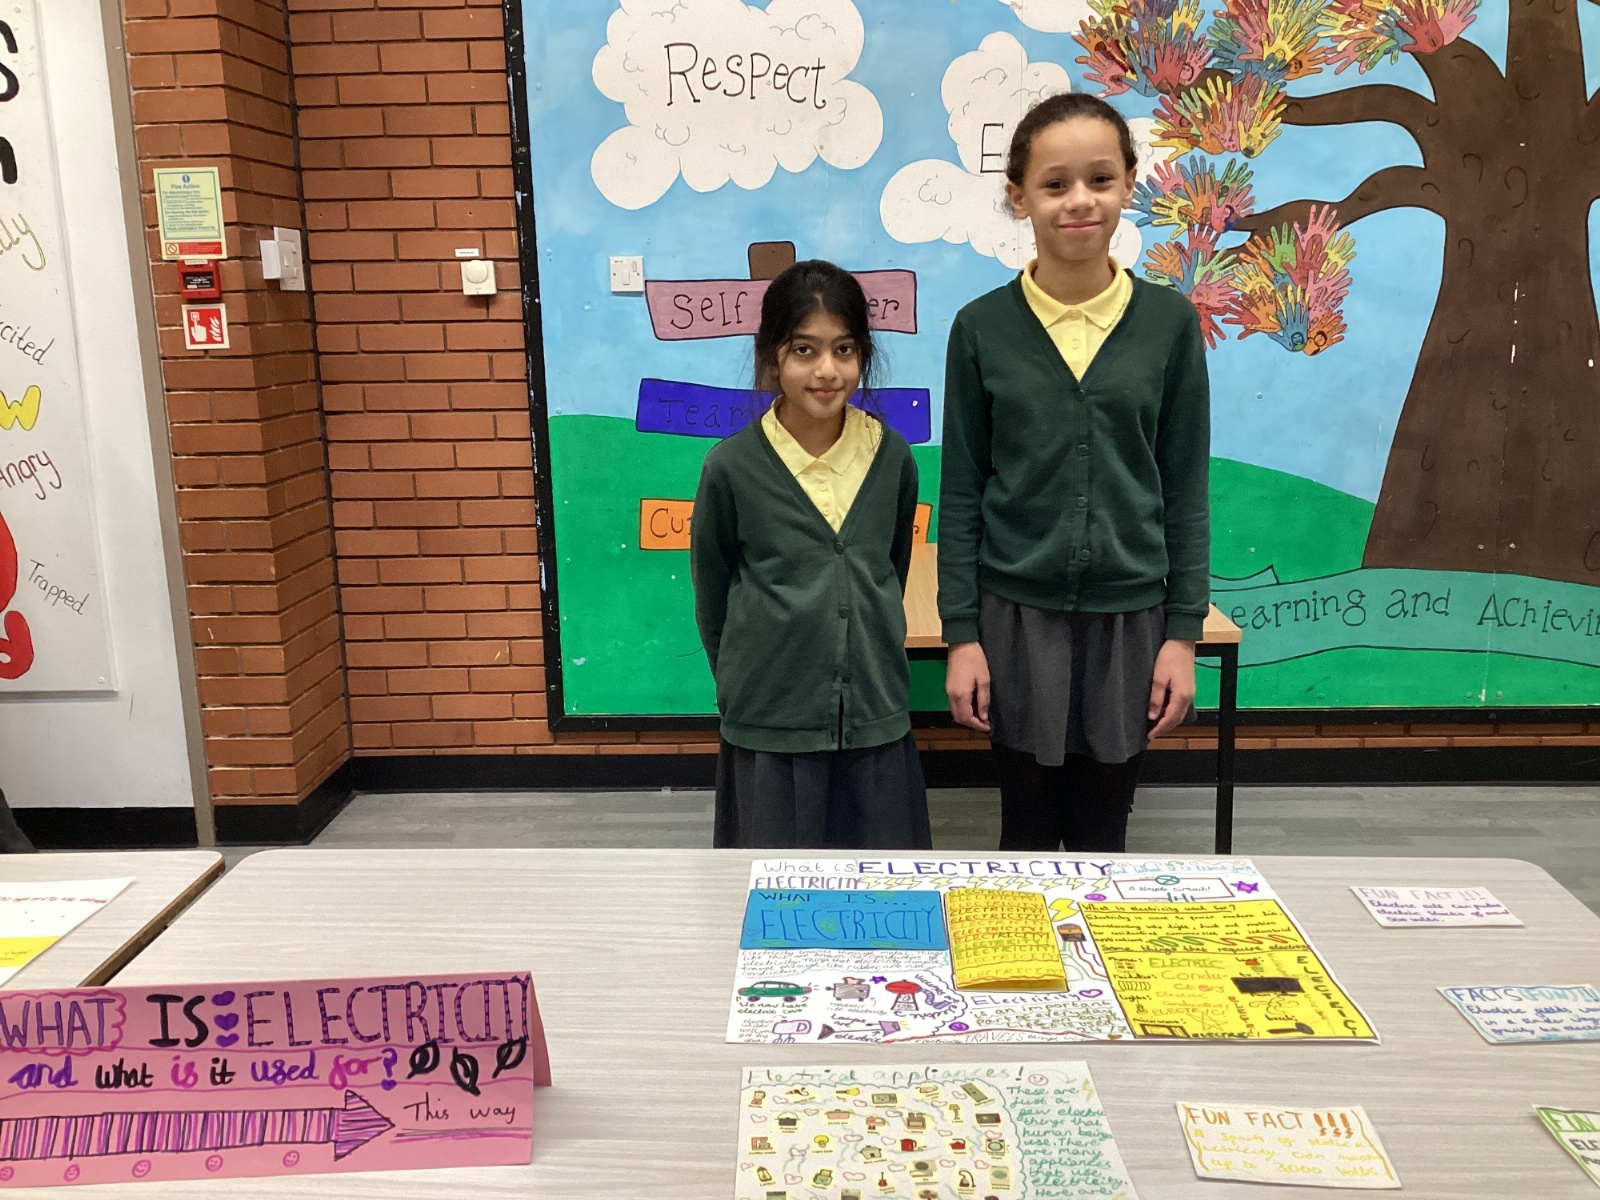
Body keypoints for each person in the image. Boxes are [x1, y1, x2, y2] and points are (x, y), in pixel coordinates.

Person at [939, 92, 1211, 853]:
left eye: (1100, 179)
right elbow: (962, 490)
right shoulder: (982, 329)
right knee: (1025, 830)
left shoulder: (1169, 324)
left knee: (1102, 834)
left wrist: (1182, 635)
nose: (1079, 200)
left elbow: (1185, 488)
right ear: (1019, 196)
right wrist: (962, 636)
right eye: (1055, 184)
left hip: (1131, 621)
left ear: (1129, 185)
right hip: (1016, 619)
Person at [692, 259, 931, 849]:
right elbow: (714, 596)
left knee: (878, 889)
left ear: (863, 355)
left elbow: (889, 570)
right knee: (777, 888)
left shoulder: (892, 457)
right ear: (772, 355)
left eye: (844, 349)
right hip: (770, 727)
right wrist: (747, 689)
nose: (827, 370)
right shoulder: (731, 467)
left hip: (873, 722)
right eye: (805, 350)